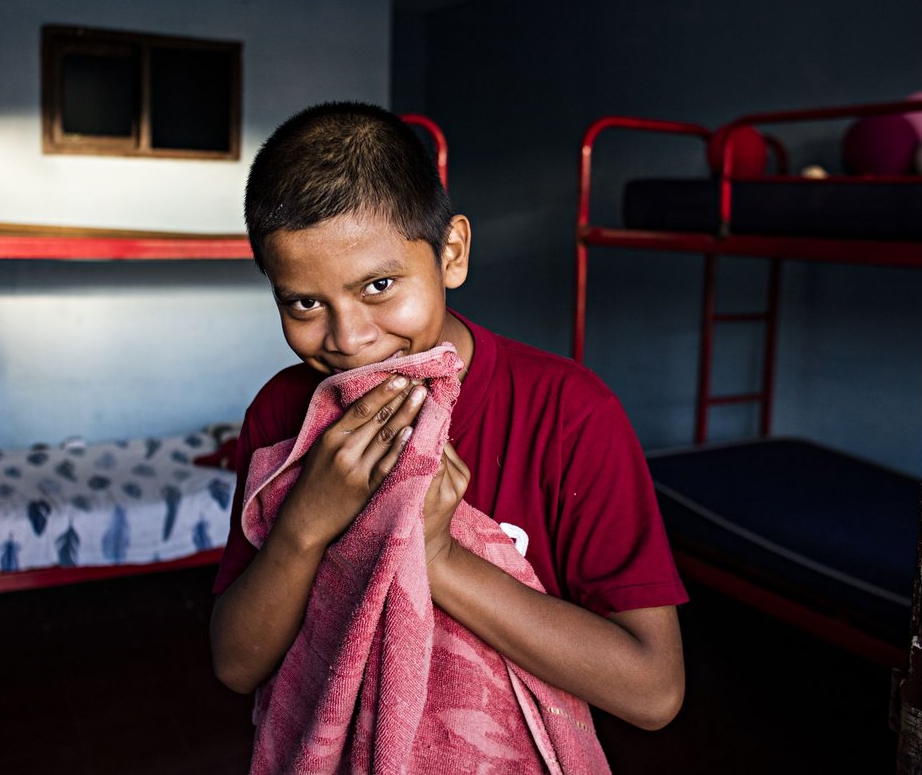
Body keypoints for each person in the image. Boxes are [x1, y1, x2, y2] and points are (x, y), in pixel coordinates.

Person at [210, 101, 687, 743]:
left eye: (379, 286)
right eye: (304, 303)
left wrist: (438, 555)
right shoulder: (282, 412)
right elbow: (237, 666)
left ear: (452, 253)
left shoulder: (569, 413)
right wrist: (305, 523)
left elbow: (653, 691)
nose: (349, 340)